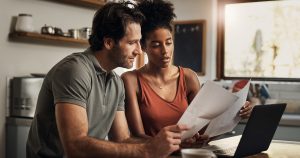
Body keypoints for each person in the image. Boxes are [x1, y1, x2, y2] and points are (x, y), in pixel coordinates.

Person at [26, 1, 189, 158]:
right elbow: (75, 147)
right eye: (132, 42)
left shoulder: (116, 82)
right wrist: (147, 151)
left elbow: (123, 140)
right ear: (109, 42)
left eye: (139, 42)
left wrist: (167, 144)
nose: (139, 51)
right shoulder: (74, 71)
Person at [121, 0, 253, 142]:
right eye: (156, 45)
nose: (165, 51)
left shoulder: (188, 77)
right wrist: (175, 144)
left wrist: (235, 114)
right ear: (143, 46)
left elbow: (203, 132)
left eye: (169, 42)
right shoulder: (131, 80)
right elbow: (137, 136)